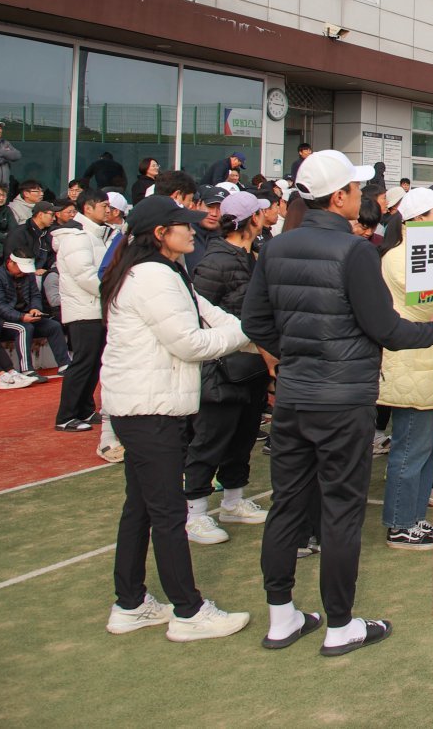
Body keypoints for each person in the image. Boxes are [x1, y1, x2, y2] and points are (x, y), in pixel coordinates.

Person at [241, 151, 433, 656]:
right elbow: (384, 327)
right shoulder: (354, 252)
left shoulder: (277, 247)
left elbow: (255, 321)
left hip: (295, 395)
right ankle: (339, 623)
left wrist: (297, 352)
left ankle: (281, 617)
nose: (363, 196)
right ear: (338, 197)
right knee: (340, 509)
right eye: (355, 189)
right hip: (343, 397)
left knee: (288, 504)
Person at [99, 195, 254, 641]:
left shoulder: (167, 271)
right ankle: (188, 612)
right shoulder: (152, 277)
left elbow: (210, 314)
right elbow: (190, 343)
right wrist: (244, 333)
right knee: (168, 512)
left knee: (141, 509)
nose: (194, 228)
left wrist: (243, 329)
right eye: (183, 224)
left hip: (145, 406)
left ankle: (130, 603)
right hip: (149, 410)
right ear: (160, 234)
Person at [183, 191, 275, 546]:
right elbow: (200, 314)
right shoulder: (216, 261)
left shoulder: (252, 257)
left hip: (251, 363)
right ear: (252, 220)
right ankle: (195, 512)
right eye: (260, 213)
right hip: (221, 366)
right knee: (211, 439)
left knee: (243, 435)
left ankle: (234, 500)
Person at [376, 186, 433, 551]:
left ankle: (413, 517)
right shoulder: (399, 257)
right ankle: (400, 523)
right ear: (418, 219)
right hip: (414, 365)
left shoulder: (425, 252)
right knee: (411, 448)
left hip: (429, 364)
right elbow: (429, 304)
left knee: (426, 449)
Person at [52, 188, 117, 430]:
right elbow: (85, 276)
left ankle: (85, 409)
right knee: (83, 362)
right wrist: (113, 291)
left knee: (94, 362)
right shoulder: (76, 236)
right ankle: (66, 416)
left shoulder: (96, 234)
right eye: (103, 206)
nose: (108, 210)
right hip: (83, 310)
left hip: (95, 308)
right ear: (88, 208)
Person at [0, 251, 67, 382]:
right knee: (24, 328)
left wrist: (35, 309)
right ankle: (27, 369)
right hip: (2, 320)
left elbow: (35, 295)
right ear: (10, 263)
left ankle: (65, 364)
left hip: (25, 315)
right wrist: (21, 317)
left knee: (53, 326)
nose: (22, 272)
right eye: (20, 268)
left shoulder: (28, 275)